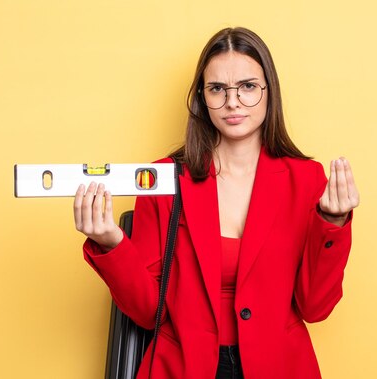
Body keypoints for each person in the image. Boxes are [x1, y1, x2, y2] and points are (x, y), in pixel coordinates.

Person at [74, 27, 359, 379]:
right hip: (183, 368)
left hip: (279, 367)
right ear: (201, 97)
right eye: (217, 89)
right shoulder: (163, 179)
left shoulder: (307, 179)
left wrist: (333, 221)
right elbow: (149, 311)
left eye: (248, 87)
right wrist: (111, 243)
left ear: (270, 91)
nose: (232, 102)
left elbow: (315, 307)